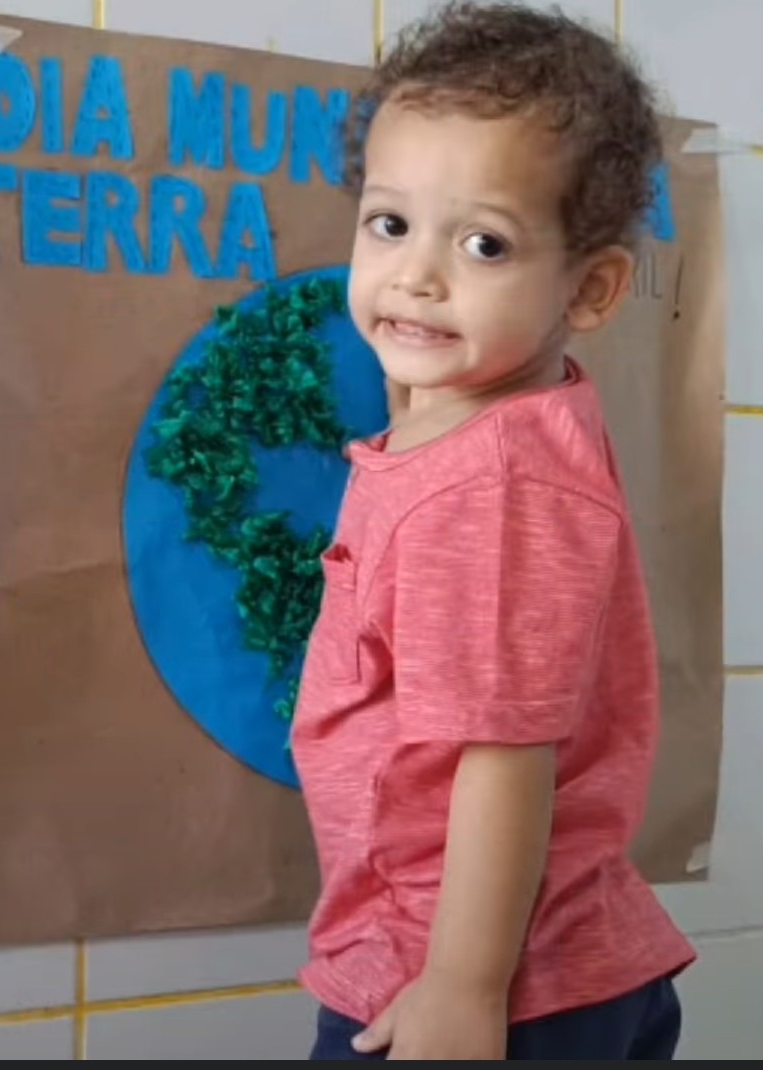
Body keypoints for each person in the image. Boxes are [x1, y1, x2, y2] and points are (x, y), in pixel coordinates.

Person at [289, 1, 696, 1060]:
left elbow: (504, 752)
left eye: (484, 243)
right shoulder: (500, 422)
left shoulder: (491, 489)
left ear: (591, 288)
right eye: (389, 225)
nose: (418, 276)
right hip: (545, 962)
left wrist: (462, 989)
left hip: (471, 979)